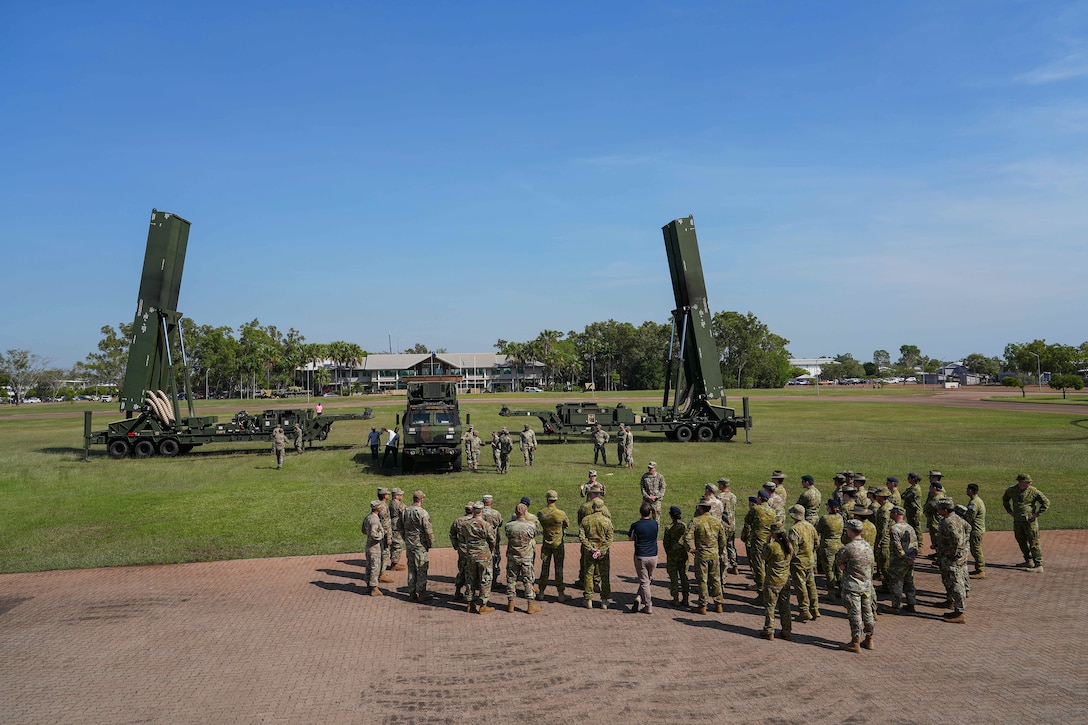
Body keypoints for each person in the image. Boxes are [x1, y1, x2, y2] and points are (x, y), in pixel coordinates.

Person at [835, 519, 876, 652]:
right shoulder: (868, 546)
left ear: (850, 531)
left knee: (855, 614)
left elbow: (839, 563)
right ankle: (869, 639)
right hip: (867, 585)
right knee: (868, 612)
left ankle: (855, 642)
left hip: (853, 586)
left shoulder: (847, 548)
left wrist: (846, 566)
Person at [1003, 473, 1050, 572]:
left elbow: (1046, 502)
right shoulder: (1012, 490)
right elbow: (1005, 500)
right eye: (1027, 482)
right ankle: (1028, 560)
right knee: (1021, 541)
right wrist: (1010, 511)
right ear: (1020, 482)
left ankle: (1038, 565)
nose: (1030, 483)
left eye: (1030, 482)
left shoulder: (1033, 491)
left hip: (1030, 522)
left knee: (1034, 542)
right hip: (1018, 521)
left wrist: (1036, 514)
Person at [687, 499, 727, 615]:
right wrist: (718, 550)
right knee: (716, 579)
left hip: (702, 555)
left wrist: (690, 549)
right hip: (714, 554)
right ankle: (718, 604)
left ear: (700, 508)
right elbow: (723, 539)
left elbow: (687, 537)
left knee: (702, 580)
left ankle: (702, 605)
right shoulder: (717, 521)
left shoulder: (696, 521)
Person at [935, 498, 969, 623]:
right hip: (949, 557)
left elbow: (955, 538)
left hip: (951, 559)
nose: (937, 510)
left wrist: (952, 551)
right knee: (948, 580)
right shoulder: (956, 518)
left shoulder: (949, 521)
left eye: (939, 508)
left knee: (955, 583)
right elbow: (968, 528)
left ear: (945, 509)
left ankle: (960, 612)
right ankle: (951, 602)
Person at [461, 502, 497, 614]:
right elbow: (492, 540)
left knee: (470, 579)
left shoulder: (465, 524)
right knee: (485, 579)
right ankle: (483, 605)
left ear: (473, 511)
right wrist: (490, 551)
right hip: (483, 555)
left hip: (470, 554)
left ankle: (469, 603)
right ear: (482, 511)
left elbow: (463, 537)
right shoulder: (486, 525)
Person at [504, 504, 541, 613]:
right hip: (526, 557)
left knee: (511, 580)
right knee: (528, 581)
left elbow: (508, 535)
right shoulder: (530, 526)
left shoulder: (509, 526)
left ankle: (510, 604)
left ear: (516, 512)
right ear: (525, 512)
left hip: (512, 557)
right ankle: (530, 605)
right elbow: (533, 536)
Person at [400, 490, 434, 602]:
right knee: (421, 568)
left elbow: (400, 527)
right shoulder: (423, 513)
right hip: (420, 545)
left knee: (411, 568)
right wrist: (430, 543)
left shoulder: (405, 511)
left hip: (409, 544)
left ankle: (411, 593)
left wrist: (406, 538)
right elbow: (428, 530)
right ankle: (422, 593)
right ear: (421, 499)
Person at [787, 504, 820, 622]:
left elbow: (792, 549)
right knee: (811, 584)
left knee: (801, 586)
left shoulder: (794, 529)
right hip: (810, 560)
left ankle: (804, 610)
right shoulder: (810, 526)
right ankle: (815, 608)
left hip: (798, 562)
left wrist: (788, 560)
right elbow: (817, 543)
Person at [761, 523, 794, 641]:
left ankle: (769, 630)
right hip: (785, 580)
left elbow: (763, 557)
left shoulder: (773, 546)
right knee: (785, 607)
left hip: (772, 581)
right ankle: (787, 631)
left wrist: (767, 543)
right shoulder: (789, 546)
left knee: (770, 606)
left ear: (773, 533)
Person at [579, 498, 614, 609]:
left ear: (593, 508)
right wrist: (601, 550)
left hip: (590, 552)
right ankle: (604, 600)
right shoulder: (607, 521)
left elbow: (582, 537)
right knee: (604, 575)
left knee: (589, 574)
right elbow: (610, 539)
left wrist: (591, 549)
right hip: (603, 552)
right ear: (602, 508)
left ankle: (588, 599)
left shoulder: (585, 520)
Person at [537, 490, 570, 602]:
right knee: (559, 568)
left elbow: (539, 523)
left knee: (544, 568)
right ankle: (560, 593)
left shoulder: (541, 513)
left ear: (547, 499)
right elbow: (567, 524)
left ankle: (541, 592)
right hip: (558, 544)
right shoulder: (561, 513)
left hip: (546, 543)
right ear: (555, 500)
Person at [627, 502, 660, 614]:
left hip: (641, 555)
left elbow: (630, 538)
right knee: (647, 580)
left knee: (644, 581)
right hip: (654, 556)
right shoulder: (655, 524)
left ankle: (648, 605)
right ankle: (639, 597)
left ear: (640, 512)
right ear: (650, 512)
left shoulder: (636, 525)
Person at [886, 506, 918, 613]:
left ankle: (895, 606)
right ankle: (911, 603)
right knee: (909, 582)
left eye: (892, 513)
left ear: (896, 514)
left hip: (899, 561)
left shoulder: (895, 529)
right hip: (909, 560)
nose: (890, 514)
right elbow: (915, 544)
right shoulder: (910, 527)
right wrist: (912, 557)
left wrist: (904, 557)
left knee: (896, 583)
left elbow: (896, 545)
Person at [816, 499, 845, 599]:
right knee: (839, 569)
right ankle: (841, 589)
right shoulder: (840, 517)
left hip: (828, 546)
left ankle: (831, 592)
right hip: (839, 545)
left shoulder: (825, 518)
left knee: (829, 569)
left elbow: (818, 529)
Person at [663, 505, 691, 608]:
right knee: (684, 576)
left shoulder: (669, 528)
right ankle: (686, 598)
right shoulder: (684, 526)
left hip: (672, 556)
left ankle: (675, 598)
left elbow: (666, 543)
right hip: (683, 555)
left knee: (674, 577)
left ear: (671, 516)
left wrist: (669, 552)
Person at [450, 502, 474, 601]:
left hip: (462, 550)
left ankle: (457, 591)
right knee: (472, 573)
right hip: (473, 550)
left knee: (462, 570)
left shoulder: (458, 521)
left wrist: (456, 545)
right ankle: (470, 594)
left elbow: (452, 534)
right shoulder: (475, 521)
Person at [362, 501, 385, 596]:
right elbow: (374, 535)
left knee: (369, 565)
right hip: (374, 547)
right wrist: (382, 533)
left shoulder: (368, 517)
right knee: (375, 567)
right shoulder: (374, 520)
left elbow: (363, 530)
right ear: (377, 508)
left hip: (368, 545)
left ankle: (368, 585)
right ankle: (374, 588)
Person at [716, 478, 739, 574]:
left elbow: (718, 512)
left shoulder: (720, 497)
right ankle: (734, 565)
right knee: (731, 546)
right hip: (732, 525)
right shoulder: (733, 496)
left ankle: (723, 569)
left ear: (722, 485)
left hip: (724, 526)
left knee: (722, 548)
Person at [871, 488, 893, 585]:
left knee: (884, 564)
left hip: (884, 541)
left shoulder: (884, 510)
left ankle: (888, 586)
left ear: (882, 497)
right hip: (889, 539)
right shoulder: (889, 506)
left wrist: (878, 542)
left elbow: (883, 529)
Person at [966, 483, 987, 578]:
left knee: (976, 550)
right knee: (975, 549)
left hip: (976, 530)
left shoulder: (974, 502)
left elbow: (970, 517)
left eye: (967, 489)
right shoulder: (977, 500)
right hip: (978, 529)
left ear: (971, 491)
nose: (966, 491)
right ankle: (978, 569)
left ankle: (981, 570)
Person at [481, 495, 504, 582]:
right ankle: (493, 581)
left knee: (482, 559)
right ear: (491, 503)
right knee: (495, 559)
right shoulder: (496, 513)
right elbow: (500, 523)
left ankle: (482, 580)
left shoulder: (479, 512)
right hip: (494, 540)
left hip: (482, 541)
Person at [923, 471, 944, 556]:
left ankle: (939, 556)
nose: (929, 479)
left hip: (936, 520)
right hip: (932, 519)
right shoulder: (934, 494)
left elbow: (934, 506)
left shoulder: (939, 494)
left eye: (931, 477)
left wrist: (928, 510)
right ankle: (937, 554)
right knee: (934, 537)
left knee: (937, 538)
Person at [375, 488, 394, 582]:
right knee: (385, 553)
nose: (389, 495)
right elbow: (386, 523)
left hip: (380, 533)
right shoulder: (383, 507)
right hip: (384, 535)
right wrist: (389, 537)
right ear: (384, 496)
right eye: (387, 494)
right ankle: (381, 574)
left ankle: (381, 572)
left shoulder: (378, 505)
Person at [388, 488, 407, 571]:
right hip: (396, 526)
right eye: (400, 495)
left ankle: (395, 562)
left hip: (394, 524)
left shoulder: (392, 503)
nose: (402, 496)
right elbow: (405, 510)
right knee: (397, 545)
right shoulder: (397, 503)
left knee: (396, 545)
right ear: (396, 496)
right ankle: (394, 564)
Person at [902, 472, 924, 543]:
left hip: (915, 512)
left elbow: (907, 497)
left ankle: (920, 544)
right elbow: (903, 495)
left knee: (916, 528)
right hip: (910, 511)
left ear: (913, 479)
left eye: (909, 478)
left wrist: (905, 496)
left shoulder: (916, 489)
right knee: (911, 526)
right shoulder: (911, 488)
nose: (908, 479)